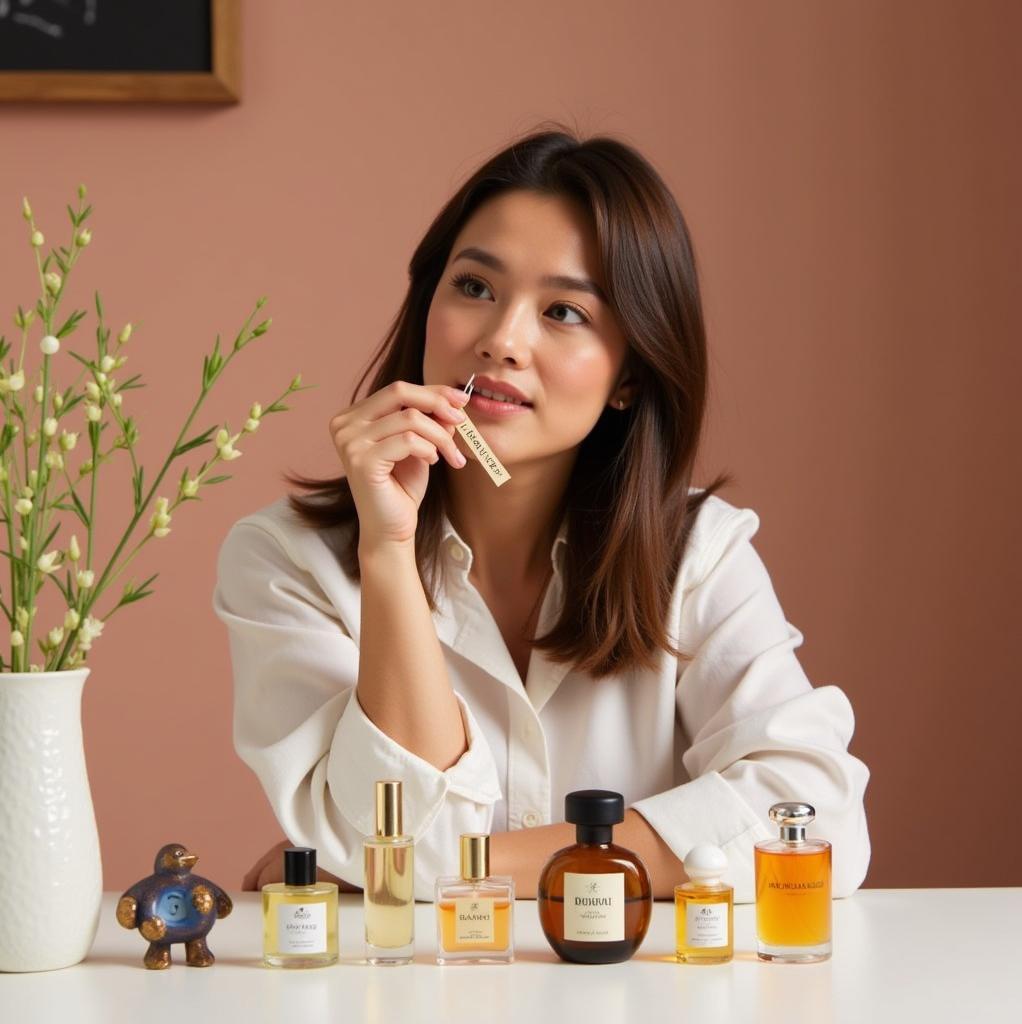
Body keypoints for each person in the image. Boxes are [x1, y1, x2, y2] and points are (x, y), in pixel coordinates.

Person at [213, 124, 870, 902]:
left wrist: (464, 867)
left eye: (564, 312)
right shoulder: (289, 562)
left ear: (629, 375)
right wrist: (388, 553)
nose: (501, 340)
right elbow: (389, 840)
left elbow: (815, 822)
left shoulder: (699, 554)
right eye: (475, 288)